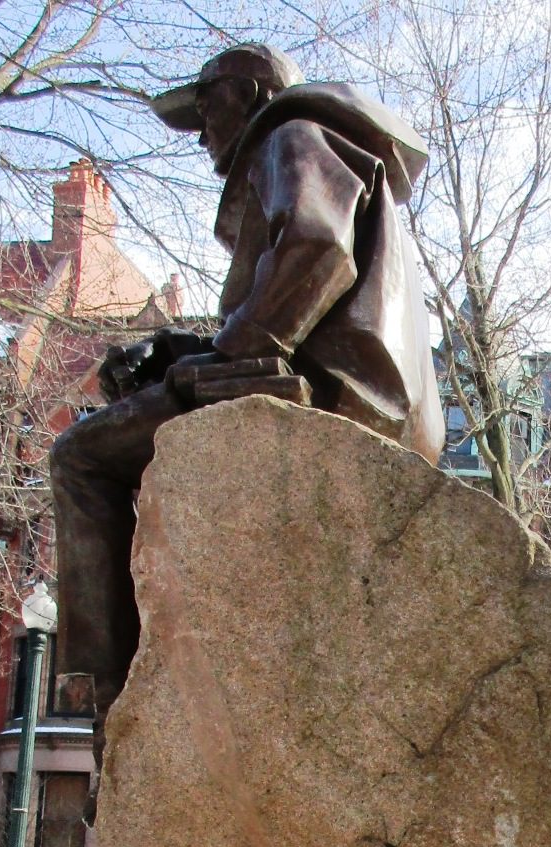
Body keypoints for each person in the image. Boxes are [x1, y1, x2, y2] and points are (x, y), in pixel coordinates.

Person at [51, 43, 443, 776]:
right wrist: (176, 352)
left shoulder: (291, 134)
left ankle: (106, 694)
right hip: (366, 401)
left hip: (338, 397)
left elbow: (320, 248)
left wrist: (229, 353)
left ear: (254, 92)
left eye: (206, 106)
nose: (201, 131)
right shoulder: (322, 146)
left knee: (81, 457)